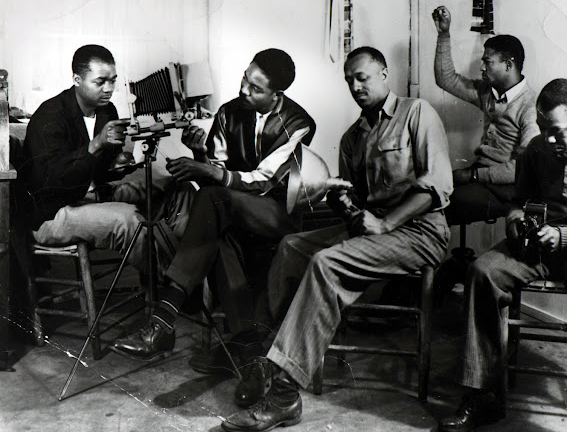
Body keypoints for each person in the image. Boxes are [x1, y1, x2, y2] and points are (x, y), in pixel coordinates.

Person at [220, 46, 453, 431]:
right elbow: (357, 201)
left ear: (383, 74)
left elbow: (439, 186)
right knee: (292, 247)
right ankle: (268, 355)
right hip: (373, 229)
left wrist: (385, 223)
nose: (356, 86)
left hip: (420, 232)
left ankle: (284, 395)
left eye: (362, 77)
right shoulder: (352, 138)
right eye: (349, 80)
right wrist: (340, 198)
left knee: (326, 264)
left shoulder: (417, 112)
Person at [439, 79, 567, 432]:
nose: (548, 140)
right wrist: (515, 218)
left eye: (557, 131)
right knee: (482, 272)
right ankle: (483, 395)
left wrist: (566, 235)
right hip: (539, 246)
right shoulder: (535, 149)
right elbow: (518, 200)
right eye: (542, 129)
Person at [110, 48, 317, 369]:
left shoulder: (299, 123)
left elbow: (263, 181)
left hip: (274, 214)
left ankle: (163, 317)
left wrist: (208, 172)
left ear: (278, 94)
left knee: (213, 200)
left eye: (256, 88)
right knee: (215, 233)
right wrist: (200, 156)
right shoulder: (228, 112)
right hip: (229, 207)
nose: (244, 90)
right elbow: (216, 172)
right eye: (244, 79)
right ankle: (245, 345)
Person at [21, 44, 147, 270]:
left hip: (91, 197)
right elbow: (51, 181)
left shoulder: (107, 111)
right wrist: (97, 144)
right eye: (100, 82)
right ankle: (167, 296)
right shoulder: (49, 115)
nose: (109, 89)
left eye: (113, 81)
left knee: (170, 191)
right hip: (52, 213)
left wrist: (119, 164)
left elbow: (99, 171)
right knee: (129, 221)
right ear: (77, 79)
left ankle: (178, 283)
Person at [432, 5, 538, 224]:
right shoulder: (487, 92)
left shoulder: (530, 107)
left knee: (435, 203)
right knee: (427, 189)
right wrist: (444, 34)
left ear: (509, 65)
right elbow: (446, 79)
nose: (481, 67)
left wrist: (472, 175)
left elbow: (523, 169)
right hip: (480, 178)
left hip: (505, 190)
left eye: (487, 61)